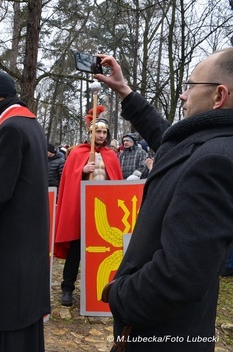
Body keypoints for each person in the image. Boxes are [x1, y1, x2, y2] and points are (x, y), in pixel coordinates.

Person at [96, 49, 233, 351]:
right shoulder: (206, 143)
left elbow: (180, 276)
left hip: (163, 335)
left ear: (218, 96)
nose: (183, 96)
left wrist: (121, 295)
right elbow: (168, 138)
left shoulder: (215, 161)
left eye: (191, 86)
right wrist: (124, 90)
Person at [0, 70, 50, 352]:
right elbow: (16, 171)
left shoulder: (10, 128)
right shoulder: (29, 123)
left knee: (6, 310)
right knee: (22, 305)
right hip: (29, 236)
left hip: (10, 239)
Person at [53, 106, 122, 307]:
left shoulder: (111, 155)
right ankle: (67, 288)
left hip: (103, 211)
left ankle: (102, 289)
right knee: (76, 250)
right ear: (90, 133)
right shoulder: (77, 154)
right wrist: (81, 170)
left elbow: (117, 183)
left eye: (103, 132)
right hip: (82, 209)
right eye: (97, 132)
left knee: (103, 252)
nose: (101, 135)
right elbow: (68, 179)